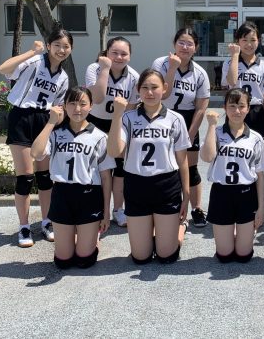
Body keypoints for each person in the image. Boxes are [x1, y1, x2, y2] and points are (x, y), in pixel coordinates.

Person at [107, 69, 191, 264]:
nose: (150, 92)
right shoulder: (127, 118)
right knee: (140, 258)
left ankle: (179, 229)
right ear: (138, 90)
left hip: (166, 185)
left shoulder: (175, 119)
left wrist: (186, 195)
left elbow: (182, 160)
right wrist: (117, 115)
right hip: (136, 185)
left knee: (166, 256)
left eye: (154, 87)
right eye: (145, 87)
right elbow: (114, 151)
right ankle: (156, 234)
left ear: (164, 88)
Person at [0, 29, 72, 247]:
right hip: (21, 117)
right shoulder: (34, 61)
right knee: (25, 177)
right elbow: (4, 69)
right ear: (49, 45)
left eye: (66, 46)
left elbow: (58, 106)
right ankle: (24, 226)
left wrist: (58, 120)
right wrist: (31, 52)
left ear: (71, 49)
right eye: (57, 45)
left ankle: (47, 222)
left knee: (45, 177)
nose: (61, 50)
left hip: (44, 120)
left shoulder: (63, 77)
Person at [30, 87, 114, 269]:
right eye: (72, 103)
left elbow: (106, 177)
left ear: (91, 106)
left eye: (83, 104)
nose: (77, 109)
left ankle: (92, 240)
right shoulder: (55, 134)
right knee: (63, 262)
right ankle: (78, 238)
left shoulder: (99, 137)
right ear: (64, 106)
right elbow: (35, 153)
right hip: (62, 194)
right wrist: (51, 122)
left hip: (89, 196)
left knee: (84, 260)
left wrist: (106, 212)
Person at [201, 88, 264, 263]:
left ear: (248, 108)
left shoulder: (255, 138)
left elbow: (260, 176)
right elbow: (207, 157)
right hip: (221, 193)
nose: (237, 111)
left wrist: (261, 209)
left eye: (241, 106)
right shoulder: (216, 132)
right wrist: (211, 125)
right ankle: (231, 234)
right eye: (232, 106)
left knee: (243, 256)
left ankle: (241, 233)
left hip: (246, 194)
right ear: (224, 108)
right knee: (224, 256)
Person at [152, 28, 210, 228]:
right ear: (174, 44)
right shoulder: (160, 64)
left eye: (190, 43)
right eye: (181, 42)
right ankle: (164, 206)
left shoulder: (200, 73)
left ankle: (197, 208)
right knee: (164, 165)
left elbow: (201, 107)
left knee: (191, 168)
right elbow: (163, 95)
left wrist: (191, 133)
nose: (185, 47)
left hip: (187, 119)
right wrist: (172, 69)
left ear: (196, 47)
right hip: (163, 117)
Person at [85, 36, 140, 227]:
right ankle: (98, 208)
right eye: (114, 52)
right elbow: (97, 98)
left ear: (130, 56)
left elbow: (131, 110)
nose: (119, 57)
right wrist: (105, 69)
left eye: (124, 54)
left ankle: (118, 209)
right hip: (94, 122)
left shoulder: (134, 77)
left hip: (118, 124)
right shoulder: (94, 68)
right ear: (106, 53)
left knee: (119, 169)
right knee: (97, 169)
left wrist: (122, 131)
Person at [222, 21, 264, 144]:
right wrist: (235, 56)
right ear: (238, 41)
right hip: (236, 109)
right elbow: (231, 81)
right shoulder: (229, 62)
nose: (249, 44)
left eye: (253, 40)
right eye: (244, 40)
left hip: (256, 111)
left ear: (258, 41)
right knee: (233, 146)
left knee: (256, 149)